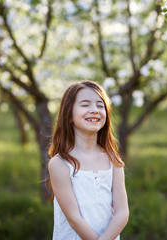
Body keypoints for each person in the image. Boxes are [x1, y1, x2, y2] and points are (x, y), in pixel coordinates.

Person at [47, 80, 129, 240]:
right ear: (69, 114)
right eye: (85, 105)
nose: (94, 110)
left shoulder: (113, 160)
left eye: (100, 105)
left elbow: (122, 211)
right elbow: (73, 218)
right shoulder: (60, 163)